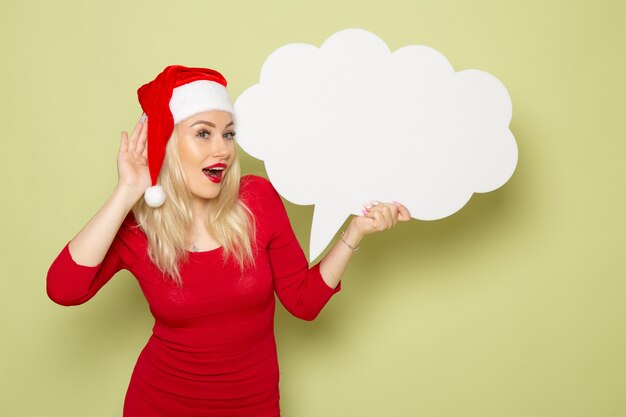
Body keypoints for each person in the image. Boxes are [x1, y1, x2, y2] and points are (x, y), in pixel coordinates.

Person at [47, 65, 410, 417]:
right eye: (204, 133)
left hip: (252, 406)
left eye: (229, 134)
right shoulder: (137, 227)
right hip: (159, 404)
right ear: (168, 142)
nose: (222, 149)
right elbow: (64, 289)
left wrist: (355, 231)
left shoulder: (258, 199)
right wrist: (126, 192)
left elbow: (303, 302)